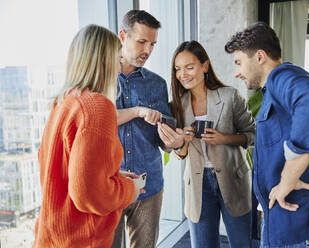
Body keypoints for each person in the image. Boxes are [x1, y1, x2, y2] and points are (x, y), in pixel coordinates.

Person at [225, 22, 309, 247]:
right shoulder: (272, 92)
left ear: (259, 57)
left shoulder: (281, 77)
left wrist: (288, 178)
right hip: (288, 222)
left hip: (300, 226)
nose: (237, 72)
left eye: (239, 63)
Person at [33, 24, 141, 248]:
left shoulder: (63, 102)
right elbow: (88, 195)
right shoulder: (97, 107)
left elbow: (61, 167)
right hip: (81, 240)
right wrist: (131, 190)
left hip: (51, 235)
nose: (119, 69)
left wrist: (110, 172)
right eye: (117, 59)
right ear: (104, 61)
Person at [157, 40, 255, 248]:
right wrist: (181, 142)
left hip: (233, 180)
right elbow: (180, 154)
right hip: (198, 185)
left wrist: (224, 139)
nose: (183, 74)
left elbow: (253, 134)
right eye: (178, 69)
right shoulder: (175, 106)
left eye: (189, 67)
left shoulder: (230, 97)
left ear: (205, 66)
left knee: (241, 244)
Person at [112, 10, 184, 248]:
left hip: (148, 186)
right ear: (123, 35)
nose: (148, 50)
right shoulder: (101, 78)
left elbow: (161, 138)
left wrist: (172, 143)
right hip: (109, 185)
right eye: (142, 41)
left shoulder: (157, 84)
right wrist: (137, 110)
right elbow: (96, 121)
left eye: (152, 44)